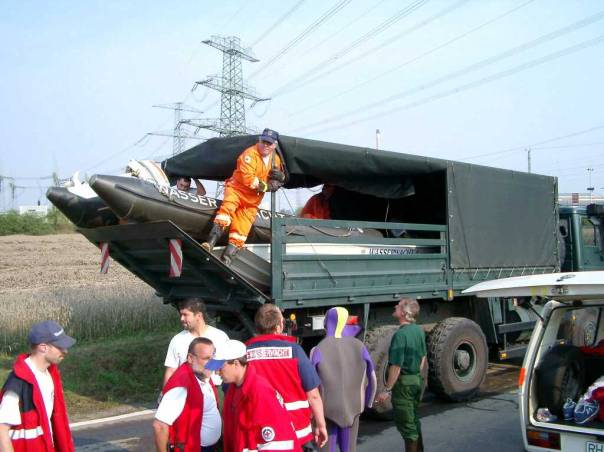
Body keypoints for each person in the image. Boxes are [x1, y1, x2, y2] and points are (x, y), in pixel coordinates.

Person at [246, 304, 327, 450]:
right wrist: (321, 425)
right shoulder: (294, 351)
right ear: (279, 326)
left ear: (257, 327)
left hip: (260, 432)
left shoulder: (245, 354)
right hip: (296, 431)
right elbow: (313, 395)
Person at [202, 128, 286, 266]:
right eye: (264, 142)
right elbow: (249, 179)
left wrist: (279, 180)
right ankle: (210, 243)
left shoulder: (275, 160)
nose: (266, 145)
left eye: (269, 143)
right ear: (259, 141)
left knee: (241, 231)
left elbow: (278, 177)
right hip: (237, 191)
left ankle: (227, 260)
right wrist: (268, 187)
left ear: (274, 145)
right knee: (226, 212)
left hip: (252, 201)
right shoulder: (249, 154)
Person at [206, 339, 300, 452]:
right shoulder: (233, 389)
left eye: (220, 367)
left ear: (236, 364)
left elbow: (274, 444)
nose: (216, 372)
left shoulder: (259, 391)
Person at [0, 320, 76, 452]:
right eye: (60, 346)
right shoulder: (17, 385)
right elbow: (1, 433)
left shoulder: (50, 375)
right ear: (43, 347)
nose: (65, 351)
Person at [309, 307, 376, 452]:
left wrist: (311, 412)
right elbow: (372, 377)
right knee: (349, 449)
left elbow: (310, 384)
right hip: (353, 408)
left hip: (327, 410)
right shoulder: (359, 346)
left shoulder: (319, 348)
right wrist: (368, 401)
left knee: (326, 449)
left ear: (327, 322)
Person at [375, 299, 427, 452]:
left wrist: (387, 389)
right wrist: (416, 375)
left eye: (397, 306)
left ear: (403, 313)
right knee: (413, 421)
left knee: (407, 427)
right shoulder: (418, 330)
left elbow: (396, 366)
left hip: (404, 385)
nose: (395, 306)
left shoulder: (400, 335)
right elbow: (423, 358)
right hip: (416, 380)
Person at [153, 337, 221, 452]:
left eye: (212, 358)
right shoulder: (181, 385)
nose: (212, 363)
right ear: (190, 358)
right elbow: (159, 426)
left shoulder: (202, 374)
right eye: (206, 358)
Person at [164, 298, 229, 386]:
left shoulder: (219, 337)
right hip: (186, 390)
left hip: (215, 389)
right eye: (181, 315)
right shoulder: (177, 340)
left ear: (198, 316)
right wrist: (165, 393)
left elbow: (226, 364)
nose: (182, 318)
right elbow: (171, 370)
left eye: (185, 315)